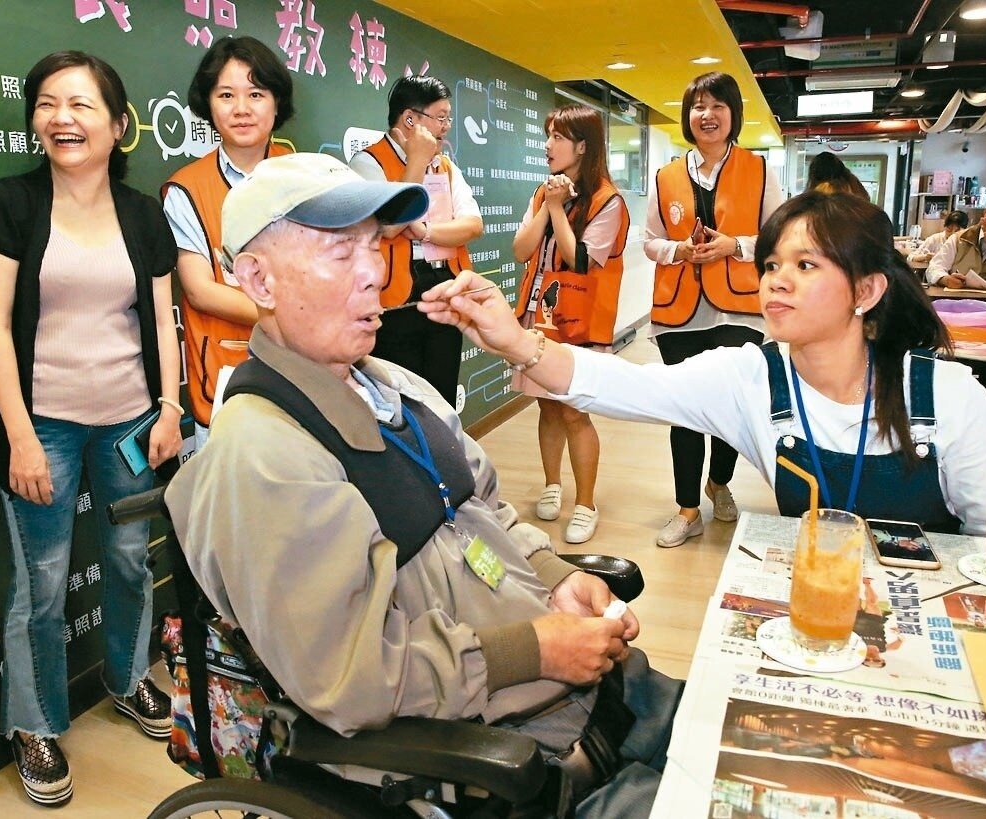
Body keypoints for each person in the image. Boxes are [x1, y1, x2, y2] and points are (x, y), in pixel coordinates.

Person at [163, 153, 681, 818]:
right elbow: (352, 677)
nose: (374, 272)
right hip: (513, 754)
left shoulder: (397, 386)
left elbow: (483, 510)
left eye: (374, 246)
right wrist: (538, 648)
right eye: (340, 252)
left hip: (598, 687)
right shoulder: (264, 457)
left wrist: (554, 577)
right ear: (258, 279)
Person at [422, 191, 986, 536]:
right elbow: (623, 385)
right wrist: (515, 342)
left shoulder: (950, 397)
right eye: (772, 264)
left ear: (866, 290)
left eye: (806, 266)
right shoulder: (751, 378)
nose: (777, 281)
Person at [0, 51, 183, 807]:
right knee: (43, 580)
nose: (62, 117)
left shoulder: (142, 214)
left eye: (82, 104)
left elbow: (160, 317)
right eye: (47, 103)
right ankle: (32, 723)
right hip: (45, 426)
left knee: (128, 560)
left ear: (119, 125)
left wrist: (169, 407)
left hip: (129, 420)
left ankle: (127, 679)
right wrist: (20, 437)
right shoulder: (8, 203)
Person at [643, 72, 785, 547]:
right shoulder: (665, 176)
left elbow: (777, 236)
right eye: (698, 106)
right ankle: (687, 509)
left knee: (729, 406)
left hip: (739, 308)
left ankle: (719, 482)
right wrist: (679, 251)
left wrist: (734, 245)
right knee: (684, 409)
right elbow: (650, 241)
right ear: (687, 116)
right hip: (678, 310)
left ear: (732, 115)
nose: (707, 115)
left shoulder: (759, 169)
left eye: (717, 106)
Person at [162, 36, 295, 448]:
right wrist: (295, 318)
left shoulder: (308, 177)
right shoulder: (186, 189)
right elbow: (200, 290)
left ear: (276, 103)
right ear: (208, 104)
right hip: (226, 374)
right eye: (226, 95)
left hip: (305, 369)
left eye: (256, 94)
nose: (241, 109)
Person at [512, 104, 629, 544]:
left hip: (577, 323)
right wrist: (549, 204)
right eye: (548, 135)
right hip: (537, 317)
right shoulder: (544, 193)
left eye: (557, 137)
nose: (548, 145)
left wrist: (558, 209)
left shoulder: (607, 200)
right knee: (546, 405)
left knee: (574, 411)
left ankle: (585, 504)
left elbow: (578, 260)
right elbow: (521, 250)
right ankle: (551, 485)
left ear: (582, 146)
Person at [349, 74, 483, 405]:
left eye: (448, 118)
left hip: (444, 289)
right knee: (400, 398)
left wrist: (426, 232)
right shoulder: (368, 162)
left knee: (441, 394)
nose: (446, 127)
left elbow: (472, 224)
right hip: (394, 300)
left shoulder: (446, 167)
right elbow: (389, 226)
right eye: (440, 117)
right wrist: (418, 161)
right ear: (410, 119)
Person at [927, 192, 986, 288]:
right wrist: (945, 279)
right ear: (985, 213)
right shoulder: (959, 238)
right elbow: (934, 268)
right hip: (959, 296)